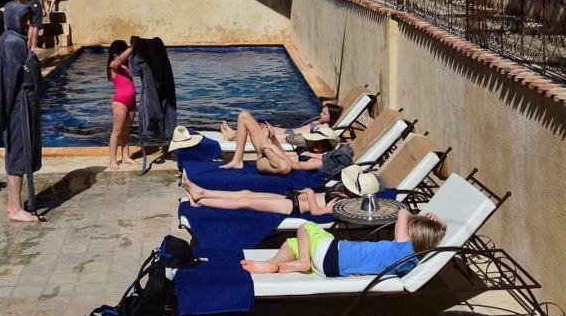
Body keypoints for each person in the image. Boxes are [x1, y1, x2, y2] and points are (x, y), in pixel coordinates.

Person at [241, 208, 447, 276]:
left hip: (331, 253)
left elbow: (402, 212)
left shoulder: (403, 245)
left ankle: (303, 260)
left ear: (412, 233)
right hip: (330, 268)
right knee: (294, 242)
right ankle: (274, 264)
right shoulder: (410, 261)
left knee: (306, 227)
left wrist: (421, 216)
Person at [183, 165, 396, 217]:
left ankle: (201, 197)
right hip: (290, 198)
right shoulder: (343, 195)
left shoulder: (346, 205)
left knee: (245, 201)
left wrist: (311, 195)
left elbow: (317, 213)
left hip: (291, 206)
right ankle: (201, 194)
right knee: (246, 192)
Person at [0, 2, 43, 223]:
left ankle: (13, 203)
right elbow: (10, 81)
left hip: (20, 104)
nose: (26, 22)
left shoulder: (9, 38)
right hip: (20, 107)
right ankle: (15, 207)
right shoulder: (13, 42)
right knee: (19, 153)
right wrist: (6, 112)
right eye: (23, 18)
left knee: (17, 151)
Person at [220, 110, 338, 175]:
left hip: (266, 160)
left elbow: (294, 165)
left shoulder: (318, 162)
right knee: (244, 115)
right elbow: (283, 154)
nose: (308, 141)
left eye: (313, 140)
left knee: (284, 167)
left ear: (319, 145)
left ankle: (261, 143)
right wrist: (273, 139)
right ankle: (237, 160)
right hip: (272, 156)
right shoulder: (308, 150)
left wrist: (269, 145)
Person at [220, 103, 343, 146]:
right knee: (261, 126)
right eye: (322, 110)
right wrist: (274, 128)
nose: (321, 113)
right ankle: (235, 133)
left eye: (324, 113)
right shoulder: (318, 122)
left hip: (290, 138)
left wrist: (277, 135)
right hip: (289, 132)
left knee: (262, 135)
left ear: (331, 118)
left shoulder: (324, 128)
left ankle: (233, 136)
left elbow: (308, 139)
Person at [107, 39, 138, 169]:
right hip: (120, 103)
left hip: (131, 102)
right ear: (117, 53)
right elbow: (118, 62)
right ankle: (113, 160)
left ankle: (125, 156)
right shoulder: (113, 66)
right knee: (117, 132)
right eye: (124, 50)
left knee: (126, 131)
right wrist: (131, 47)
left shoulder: (125, 67)